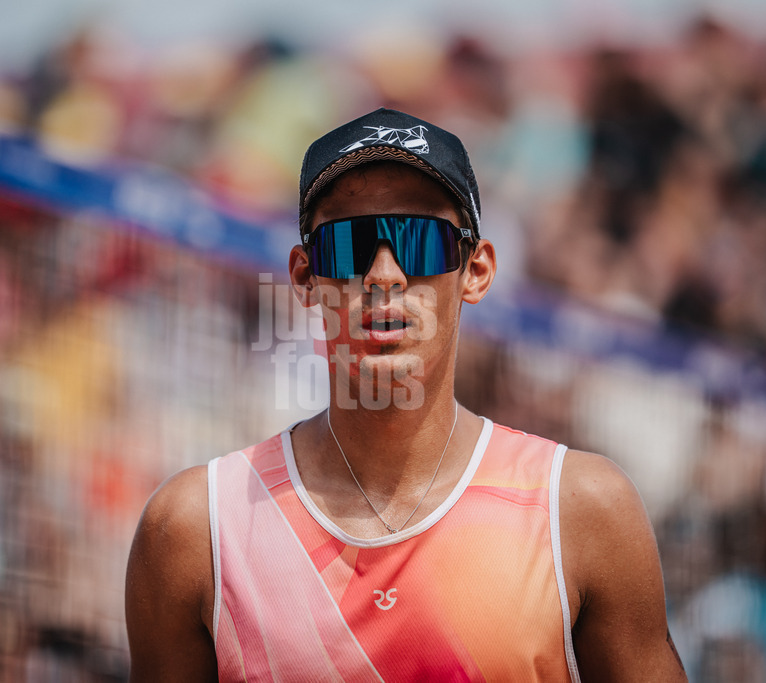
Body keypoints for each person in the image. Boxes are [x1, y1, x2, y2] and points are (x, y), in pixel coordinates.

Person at [125, 108, 688, 681]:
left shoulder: (581, 510)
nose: (384, 274)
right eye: (349, 244)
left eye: (420, 239)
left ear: (477, 270)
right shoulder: (197, 531)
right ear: (304, 277)